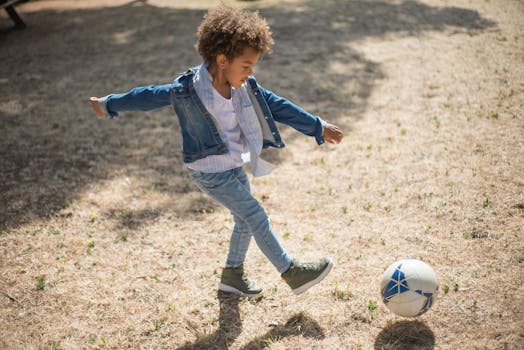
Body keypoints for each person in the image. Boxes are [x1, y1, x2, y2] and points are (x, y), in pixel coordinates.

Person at [89, 4, 344, 298]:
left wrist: (317, 126)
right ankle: (291, 272)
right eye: (245, 66)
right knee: (256, 216)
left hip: (233, 163)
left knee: (244, 220)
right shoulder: (188, 90)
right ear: (222, 60)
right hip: (209, 171)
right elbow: (147, 96)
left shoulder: (245, 86)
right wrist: (108, 103)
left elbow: (278, 106)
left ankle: (232, 275)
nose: (249, 73)